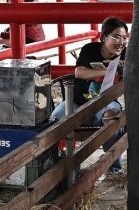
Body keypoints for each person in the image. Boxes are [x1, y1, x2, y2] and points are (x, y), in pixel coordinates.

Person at [50, 17, 128, 169]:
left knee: (112, 117)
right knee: (54, 120)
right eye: (117, 37)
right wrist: (110, 70)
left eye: (124, 38)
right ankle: (64, 167)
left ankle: (113, 167)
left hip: (106, 101)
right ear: (104, 36)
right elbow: (79, 73)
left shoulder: (126, 55)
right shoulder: (89, 49)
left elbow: (130, 81)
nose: (121, 42)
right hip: (77, 101)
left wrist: (126, 70)